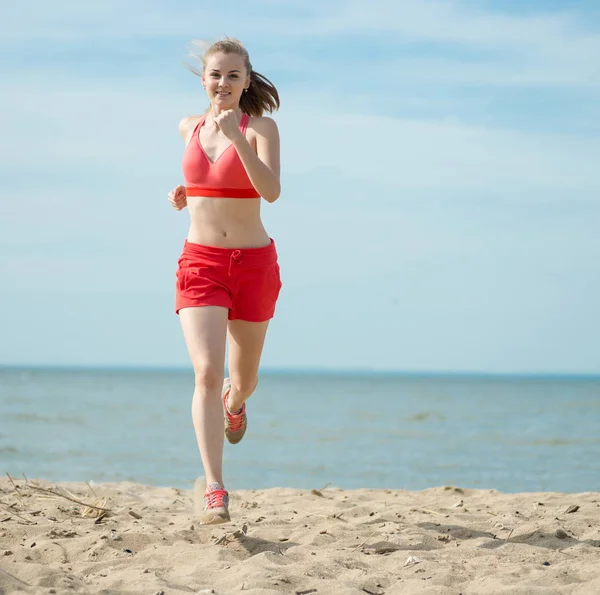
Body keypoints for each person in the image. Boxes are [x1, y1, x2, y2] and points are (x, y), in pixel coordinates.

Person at [167, 38, 282, 525]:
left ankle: (236, 404)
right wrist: (184, 193)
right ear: (203, 80)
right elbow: (205, 181)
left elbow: (271, 191)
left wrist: (237, 137)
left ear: (247, 81)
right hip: (201, 263)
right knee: (207, 373)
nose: (223, 83)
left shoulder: (261, 128)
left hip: (253, 264)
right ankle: (215, 487)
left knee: (243, 379)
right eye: (216, 74)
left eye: (233, 76)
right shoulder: (187, 127)